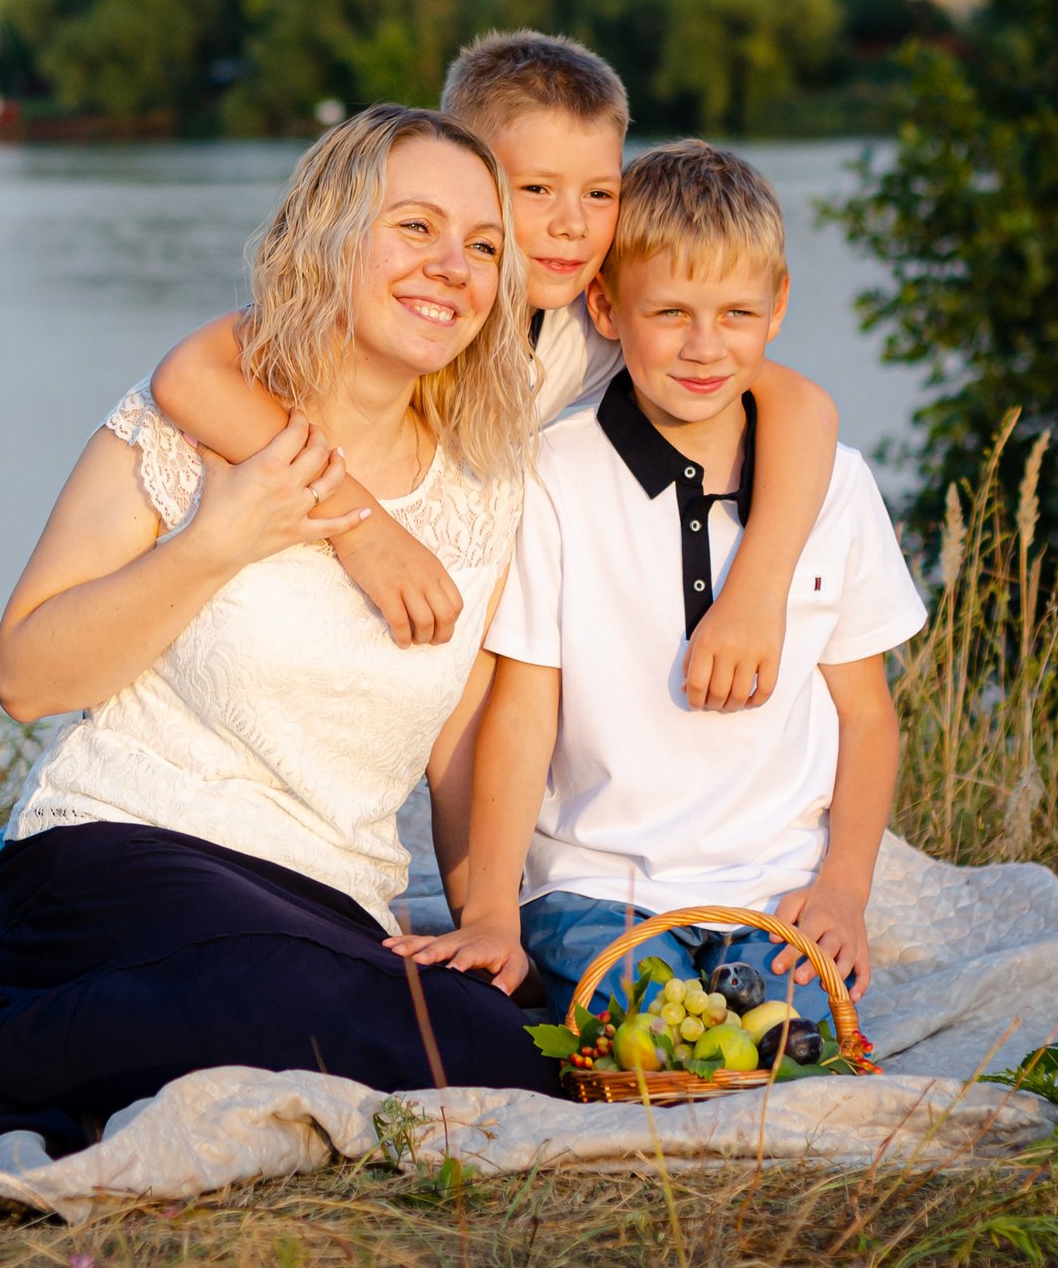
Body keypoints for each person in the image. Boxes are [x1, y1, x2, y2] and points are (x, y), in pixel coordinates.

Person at [0, 106, 558, 1162]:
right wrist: (215, 542)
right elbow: (27, 676)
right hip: (122, 845)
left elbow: (459, 726)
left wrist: (490, 908)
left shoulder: (488, 479)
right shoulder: (183, 430)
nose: (452, 265)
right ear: (332, 233)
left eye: (483, 245)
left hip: (323, 893)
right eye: (415, 227)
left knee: (489, 1041)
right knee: (289, 997)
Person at [389, 142, 927, 1027]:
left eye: (738, 313)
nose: (705, 347)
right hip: (596, 886)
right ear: (606, 306)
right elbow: (525, 710)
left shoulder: (835, 483)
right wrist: (491, 908)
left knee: (788, 1040)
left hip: (774, 888)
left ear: (779, 305)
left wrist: (842, 893)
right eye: (670, 312)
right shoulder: (554, 475)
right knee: (647, 1034)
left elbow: (867, 715)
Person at [150, 31, 840, 716]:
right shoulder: (403, 305)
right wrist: (363, 529)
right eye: (537, 188)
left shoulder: (588, 324)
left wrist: (755, 591)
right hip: (296, 596)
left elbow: (801, 406)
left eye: (600, 194)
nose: (572, 225)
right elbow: (189, 377)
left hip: (429, 632)